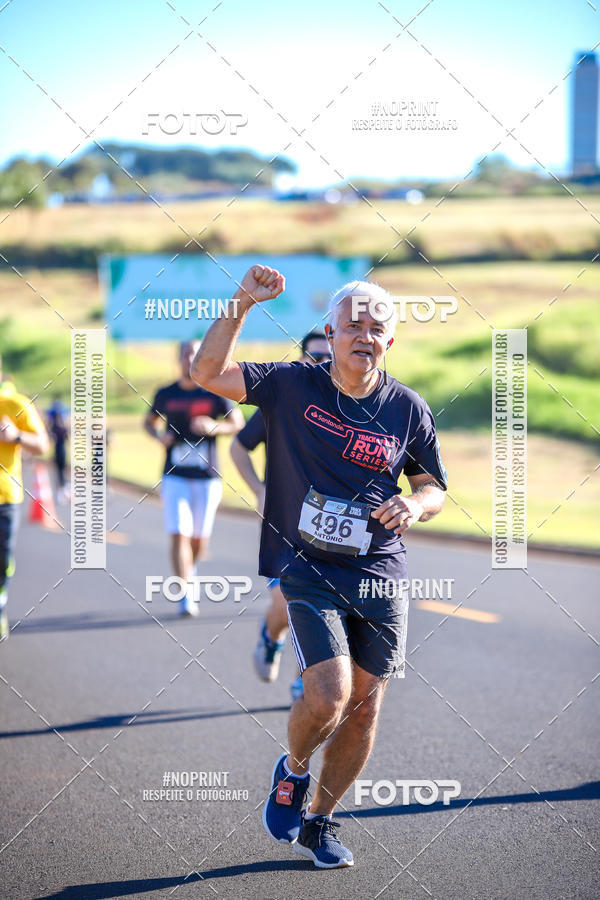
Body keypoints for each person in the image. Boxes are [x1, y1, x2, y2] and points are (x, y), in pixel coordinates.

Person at [191, 265, 447, 868]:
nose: (364, 334)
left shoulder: (407, 408)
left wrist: (415, 504)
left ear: (390, 340)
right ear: (329, 333)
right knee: (330, 697)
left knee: (365, 705)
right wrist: (243, 301)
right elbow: (206, 373)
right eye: (352, 324)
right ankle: (294, 770)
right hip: (308, 566)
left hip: (379, 572)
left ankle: (320, 822)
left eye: (376, 327)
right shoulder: (291, 384)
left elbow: (433, 485)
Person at [230, 331, 331, 702]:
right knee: (286, 604)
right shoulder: (283, 399)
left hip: (332, 523)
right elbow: (238, 447)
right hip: (285, 521)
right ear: (302, 359)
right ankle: (272, 636)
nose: (325, 364)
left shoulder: (352, 405)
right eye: (317, 357)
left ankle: (309, 677)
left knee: (326, 603)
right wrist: (259, 490)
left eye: (330, 357)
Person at [144, 341, 244, 617]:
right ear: (178, 359)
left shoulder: (214, 391)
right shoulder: (166, 393)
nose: (190, 359)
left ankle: (191, 569)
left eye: (195, 354)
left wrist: (214, 426)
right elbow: (148, 422)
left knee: (199, 540)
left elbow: (237, 423)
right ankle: (186, 593)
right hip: (174, 475)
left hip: (206, 477)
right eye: (185, 355)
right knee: (179, 533)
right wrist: (159, 437)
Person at [0, 358, 49, 640]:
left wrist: (16, 435)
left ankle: (0, 605)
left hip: (5, 496)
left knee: (2, 560)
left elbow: (42, 445)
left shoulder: (15, 404)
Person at [47, 398, 69, 504]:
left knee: (61, 472)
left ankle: (63, 489)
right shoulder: (58, 428)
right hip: (59, 452)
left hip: (61, 452)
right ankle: (62, 490)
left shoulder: (57, 428)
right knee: (60, 472)